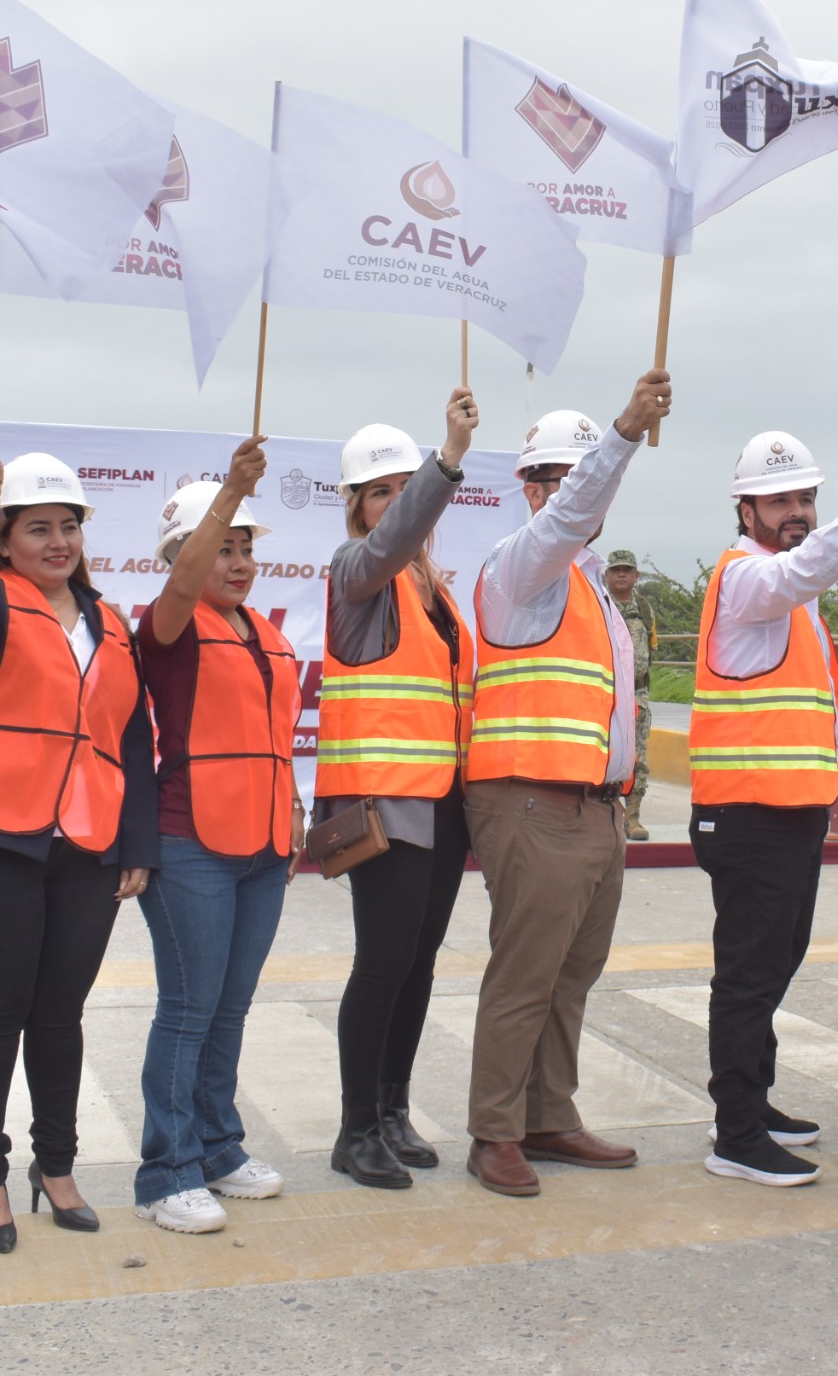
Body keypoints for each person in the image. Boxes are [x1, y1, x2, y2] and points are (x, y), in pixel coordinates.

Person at [0, 444, 158, 1253]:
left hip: (85, 841)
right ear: (6, 541)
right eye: (36, 529)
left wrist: (138, 839)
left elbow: (129, 738)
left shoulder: (110, 623)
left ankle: (56, 1166)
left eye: (68, 527)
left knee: (61, 1015)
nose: (57, 543)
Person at [461, 377, 672, 1197]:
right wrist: (620, 435)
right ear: (529, 487)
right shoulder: (522, 568)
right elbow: (571, 517)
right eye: (555, 477)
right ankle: (495, 1131)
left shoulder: (591, 588)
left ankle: (548, 1114)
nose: (573, 492)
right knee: (525, 974)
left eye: (578, 476)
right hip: (529, 802)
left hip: (592, 808)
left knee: (570, 975)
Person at [690, 427, 838, 1187]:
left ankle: (754, 1102)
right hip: (748, 811)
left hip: (788, 809)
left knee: (774, 962)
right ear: (745, 509)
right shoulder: (749, 580)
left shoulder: (788, 588)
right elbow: (804, 570)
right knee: (748, 973)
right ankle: (736, 1133)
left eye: (805, 498)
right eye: (780, 499)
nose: (797, 511)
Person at [133, 443, 303, 1232]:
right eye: (221, 546)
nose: (237, 562)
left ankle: (217, 1146)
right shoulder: (170, 624)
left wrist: (294, 814)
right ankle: (166, 1171)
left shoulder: (263, 634)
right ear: (185, 554)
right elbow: (179, 585)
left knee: (229, 1009)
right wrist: (232, 491)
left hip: (264, 845)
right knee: (190, 1007)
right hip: (191, 841)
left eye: (245, 549)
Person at [320, 390, 480, 1188]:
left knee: (417, 964)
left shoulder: (437, 593)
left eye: (400, 489)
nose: (391, 505)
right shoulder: (357, 573)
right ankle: (354, 1131)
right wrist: (445, 461)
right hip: (381, 805)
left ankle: (391, 1110)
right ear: (356, 507)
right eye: (378, 492)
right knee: (381, 964)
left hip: (441, 806)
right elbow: (387, 548)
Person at [604, 550, 656, 843]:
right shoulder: (599, 606)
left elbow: (651, 651)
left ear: (636, 576)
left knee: (639, 759)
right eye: (615, 570)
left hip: (637, 694)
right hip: (607, 694)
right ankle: (606, 815)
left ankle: (633, 818)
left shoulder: (645, 610)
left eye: (627, 570)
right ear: (607, 575)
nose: (621, 574)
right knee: (605, 756)